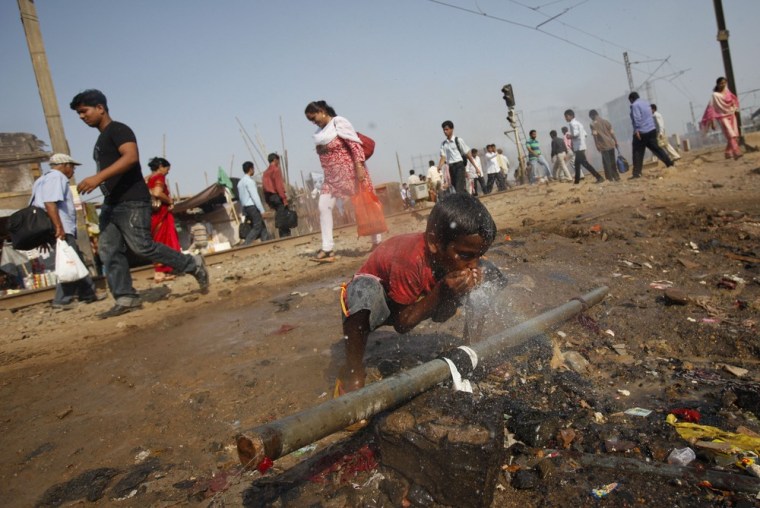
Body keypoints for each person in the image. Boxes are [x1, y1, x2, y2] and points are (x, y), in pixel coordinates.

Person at [70, 89, 208, 319]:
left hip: (132, 200)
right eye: (79, 114)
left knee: (142, 246)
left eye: (84, 111)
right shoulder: (101, 139)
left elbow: (130, 157)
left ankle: (192, 264)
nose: (82, 117)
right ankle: (126, 298)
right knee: (108, 250)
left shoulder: (118, 130)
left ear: (100, 108)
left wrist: (98, 177)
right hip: (112, 203)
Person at [338, 193, 497, 392]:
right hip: (385, 302)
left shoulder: (456, 257)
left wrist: (467, 286)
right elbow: (402, 323)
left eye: (478, 255)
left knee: (490, 274)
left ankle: (471, 350)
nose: (472, 265)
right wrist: (441, 291)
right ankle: (353, 370)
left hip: (420, 298)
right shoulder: (410, 260)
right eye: (465, 255)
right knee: (362, 293)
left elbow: (446, 306)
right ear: (434, 243)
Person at [305, 100, 381, 261]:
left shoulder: (339, 122)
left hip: (351, 174)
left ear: (322, 111)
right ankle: (327, 249)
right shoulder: (320, 133)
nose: (314, 122)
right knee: (323, 207)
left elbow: (355, 145)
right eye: (310, 120)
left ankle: (377, 242)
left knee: (366, 205)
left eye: (314, 117)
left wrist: (359, 167)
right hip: (332, 179)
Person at [30, 153, 104, 310]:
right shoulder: (57, 177)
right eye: (72, 167)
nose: (73, 171)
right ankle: (61, 300)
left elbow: (36, 207)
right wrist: (59, 227)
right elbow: (50, 203)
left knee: (76, 259)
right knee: (69, 262)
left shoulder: (41, 180)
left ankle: (88, 293)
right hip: (60, 227)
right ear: (64, 165)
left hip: (50, 227)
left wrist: (44, 234)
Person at [146, 157, 181, 283]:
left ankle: (161, 271)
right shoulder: (159, 177)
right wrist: (169, 200)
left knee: (157, 241)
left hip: (152, 215)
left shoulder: (148, 178)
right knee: (165, 240)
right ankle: (161, 272)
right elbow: (157, 193)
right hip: (161, 215)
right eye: (167, 169)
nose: (167, 172)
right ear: (161, 167)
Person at [628, 92, 674, 179]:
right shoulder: (646, 103)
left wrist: (637, 130)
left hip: (641, 132)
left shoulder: (634, 105)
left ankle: (636, 173)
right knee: (657, 149)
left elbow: (636, 117)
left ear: (631, 99)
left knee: (637, 153)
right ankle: (670, 164)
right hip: (651, 129)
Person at [700, 77, 742, 160]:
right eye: (721, 83)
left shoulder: (728, 92)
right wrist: (712, 122)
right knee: (731, 135)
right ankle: (736, 152)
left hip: (731, 115)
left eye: (724, 83)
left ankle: (728, 152)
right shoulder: (714, 95)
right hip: (722, 117)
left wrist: (735, 109)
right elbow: (711, 109)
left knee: (735, 136)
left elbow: (734, 101)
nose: (723, 85)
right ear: (717, 84)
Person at [437, 120, 479, 194]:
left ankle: (463, 202)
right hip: (451, 167)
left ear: (452, 129)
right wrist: (439, 166)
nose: (445, 131)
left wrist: (476, 167)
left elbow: (468, 155)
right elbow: (443, 157)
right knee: (456, 187)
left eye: (447, 129)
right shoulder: (443, 144)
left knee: (459, 188)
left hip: (459, 166)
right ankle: (467, 199)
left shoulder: (458, 140)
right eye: (444, 130)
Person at [564, 109, 605, 184]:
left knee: (585, 164)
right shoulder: (579, 123)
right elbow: (585, 134)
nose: (565, 118)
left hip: (579, 147)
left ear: (571, 116)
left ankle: (599, 177)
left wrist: (570, 136)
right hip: (581, 146)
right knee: (577, 164)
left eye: (566, 116)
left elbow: (576, 134)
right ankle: (577, 181)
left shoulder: (572, 124)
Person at [238, 161, 271, 245]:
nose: (254, 170)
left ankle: (266, 244)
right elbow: (255, 197)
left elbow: (241, 198)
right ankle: (245, 245)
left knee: (262, 226)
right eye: (253, 169)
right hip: (252, 207)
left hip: (246, 208)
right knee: (257, 226)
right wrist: (262, 211)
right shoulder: (250, 182)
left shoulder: (240, 183)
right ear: (250, 169)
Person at [262, 153, 292, 238]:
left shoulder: (265, 173)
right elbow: (279, 186)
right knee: (283, 215)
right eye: (278, 160)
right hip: (277, 196)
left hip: (270, 197)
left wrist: (268, 201)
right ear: (275, 160)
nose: (278, 162)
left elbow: (264, 189)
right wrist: (284, 199)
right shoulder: (276, 170)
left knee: (280, 214)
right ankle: (286, 236)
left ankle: (283, 235)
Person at [589, 110, 621, 182]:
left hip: (603, 146)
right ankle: (616, 176)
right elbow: (612, 133)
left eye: (590, 117)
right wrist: (616, 141)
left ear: (592, 115)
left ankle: (609, 178)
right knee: (612, 161)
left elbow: (595, 135)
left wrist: (597, 145)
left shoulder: (593, 124)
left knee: (606, 162)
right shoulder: (606, 121)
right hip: (611, 144)